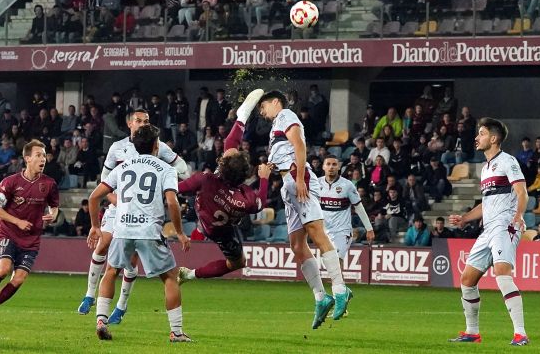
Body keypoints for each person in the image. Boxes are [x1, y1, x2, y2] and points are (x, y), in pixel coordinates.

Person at [77, 109, 190, 322]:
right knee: (105, 245)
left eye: (146, 121)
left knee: (124, 262)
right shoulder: (118, 148)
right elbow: (106, 185)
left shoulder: (157, 150)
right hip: (121, 208)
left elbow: (95, 194)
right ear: (130, 124)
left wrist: (181, 171)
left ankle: (118, 307)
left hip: (134, 215)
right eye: (139, 121)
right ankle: (90, 295)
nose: (142, 124)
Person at [257, 90, 352, 329]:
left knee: (317, 234)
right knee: (297, 246)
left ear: (275, 102)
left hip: (299, 179)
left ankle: (340, 289)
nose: (262, 112)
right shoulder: (277, 125)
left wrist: (300, 179)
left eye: (264, 106)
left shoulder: (286, 114)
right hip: (287, 183)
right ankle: (321, 298)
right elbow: (286, 150)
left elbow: (299, 145)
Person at [448, 117, 529, 345]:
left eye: (481, 133)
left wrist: (518, 216)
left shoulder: (508, 161)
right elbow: (486, 203)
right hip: (488, 228)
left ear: (493, 139)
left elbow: (522, 192)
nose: (477, 137)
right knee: (467, 279)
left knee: (502, 275)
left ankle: (520, 333)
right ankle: (472, 332)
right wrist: (465, 219)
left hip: (505, 224)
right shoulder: (485, 169)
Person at [177, 90, 272, 284]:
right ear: (246, 175)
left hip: (204, 214)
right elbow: (261, 201)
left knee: (230, 142)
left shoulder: (206, 179)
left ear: (221, 165)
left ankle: (242, 117)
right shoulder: (245, 199)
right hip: (221, 231)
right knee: (237, 263)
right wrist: (264, 178)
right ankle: (189, 274)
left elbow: (177, 188)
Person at [0, 140, 59, 323]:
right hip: (9, 232)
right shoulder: (10, 182)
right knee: (4, 269)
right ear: (27, 158)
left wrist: (53, 215)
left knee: (20, 278)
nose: (43, 159)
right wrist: (18, 221)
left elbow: (54, 206)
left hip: (32, 238)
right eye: (38, 155)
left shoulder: (49, 184)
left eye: (44, 155)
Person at [318, 155, 375, 261]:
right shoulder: (316, 184)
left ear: (339, 167)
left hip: (342, 231)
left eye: (334, 164)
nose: (331, 167)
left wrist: (369, 229)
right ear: (323, 167)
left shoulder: (347, 185)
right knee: (329, 265)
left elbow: (359, 207)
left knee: (336, 260)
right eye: (328, 164)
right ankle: (339, 278)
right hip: (324, 231)